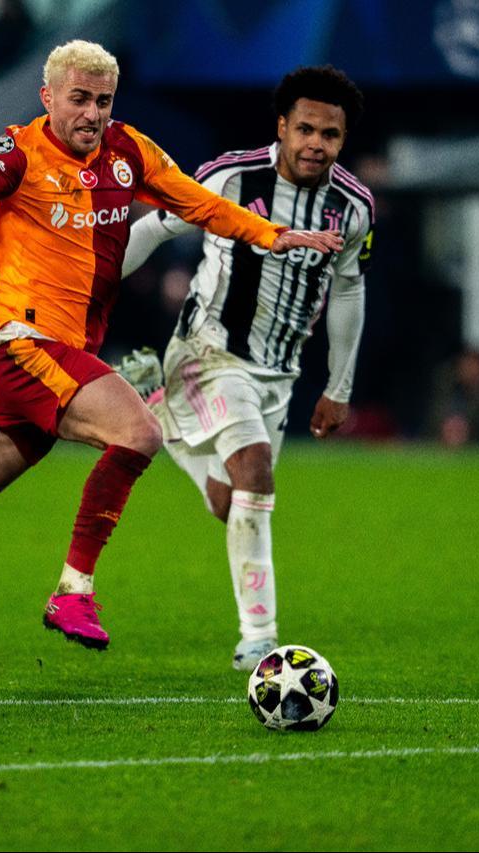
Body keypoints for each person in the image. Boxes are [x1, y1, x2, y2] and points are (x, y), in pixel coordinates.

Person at [0, 41, 343, 651]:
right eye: (79, 99)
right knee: (138, 433)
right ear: (48, 97)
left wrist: (271, 234)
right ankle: (73, 591)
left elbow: (199, 201)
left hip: (68, 355)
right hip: (24, 344)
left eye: (103, 101)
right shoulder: (20, 149)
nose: (92, 114)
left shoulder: (129, 151)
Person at [118, 65, 373, 670]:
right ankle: (260, 640)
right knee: (255, 472)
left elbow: (347, 293)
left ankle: (158, 412)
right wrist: (82, 293)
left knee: (228, 500)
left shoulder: (354, 207)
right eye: (305, 129)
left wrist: (338, 388)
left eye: (330, 135)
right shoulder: (231, 177)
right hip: (210, 352)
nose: (316, 144)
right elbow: (155, 227)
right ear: (282, 127)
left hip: (279, 373)